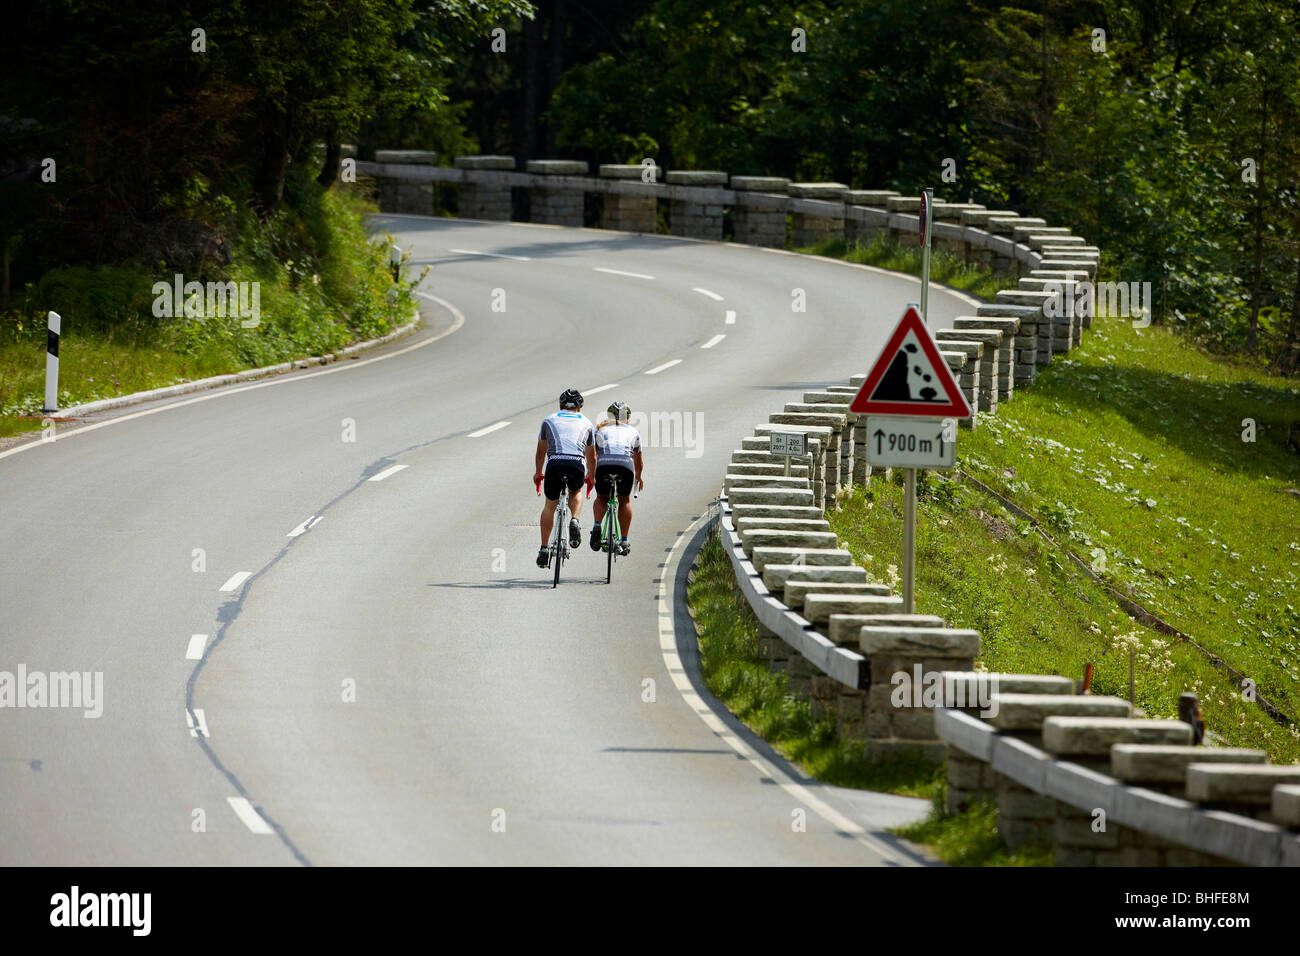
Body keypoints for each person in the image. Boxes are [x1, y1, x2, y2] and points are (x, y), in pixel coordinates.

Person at [534, 388, 597, 569]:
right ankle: (575, 520)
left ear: (560, 405)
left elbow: (540, 452)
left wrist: (538, 473)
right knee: (576, 491)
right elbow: (591, 457)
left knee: (549, 505)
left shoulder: (549, 420)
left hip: (554, 464)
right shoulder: (586, 422)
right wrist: (591, 476)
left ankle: (544, 549)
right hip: (576, 464)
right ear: (580, 407)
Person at [590, 400, 644, 556]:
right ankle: (625, 540)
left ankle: (597, 524)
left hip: (604, 465)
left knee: (601, 497)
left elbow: (593, 455)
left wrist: (592, 474)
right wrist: (638, 477)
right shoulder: (634, 431)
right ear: (627, 417)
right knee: (624, 500)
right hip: (625, 466)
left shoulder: (600, 430)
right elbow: (638, 461)